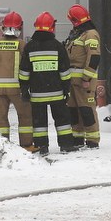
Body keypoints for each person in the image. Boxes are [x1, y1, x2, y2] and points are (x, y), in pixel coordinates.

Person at [18, 11, 76, 155]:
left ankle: (41, 146)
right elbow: (64, 71)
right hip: (57, 93)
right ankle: (66, 145)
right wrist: (66, 89)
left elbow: (24, 71)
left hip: (37, 94)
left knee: (39, 123)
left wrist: (24, 90)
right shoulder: (58, 46)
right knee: (62, 120)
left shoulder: (30, 47)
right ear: (52, 27)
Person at [0, 11, 34, 150]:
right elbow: (28, 67)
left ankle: (2, 147)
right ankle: (27, 145)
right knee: (25, 117)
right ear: (19, 27)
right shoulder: (22, 45)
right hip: (17, 89)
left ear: (3, 27)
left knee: (0, 120)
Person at [65, 3, 101, 149]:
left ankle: (92, 140)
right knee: (73, 111)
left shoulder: (90, 34)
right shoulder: (78, 34)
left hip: (84, 81)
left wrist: (86, 79)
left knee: (87, 110)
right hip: (73, 81)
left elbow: (94, 58)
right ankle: (77, 138)